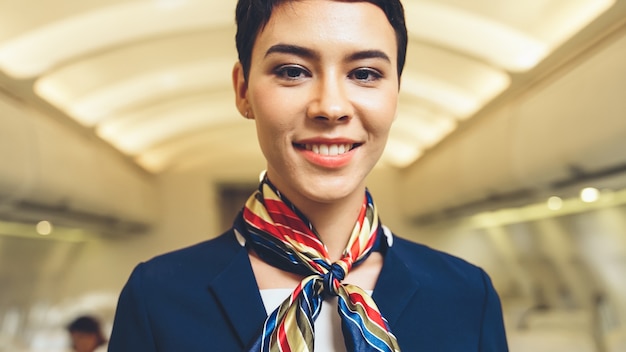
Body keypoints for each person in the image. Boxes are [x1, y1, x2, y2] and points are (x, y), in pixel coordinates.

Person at [108, 0, 509, 351]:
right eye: (293, 71)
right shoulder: (158, 297)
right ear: (243, 90)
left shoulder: (467, 296)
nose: (331, 107)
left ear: (396, 94)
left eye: (366, 73)